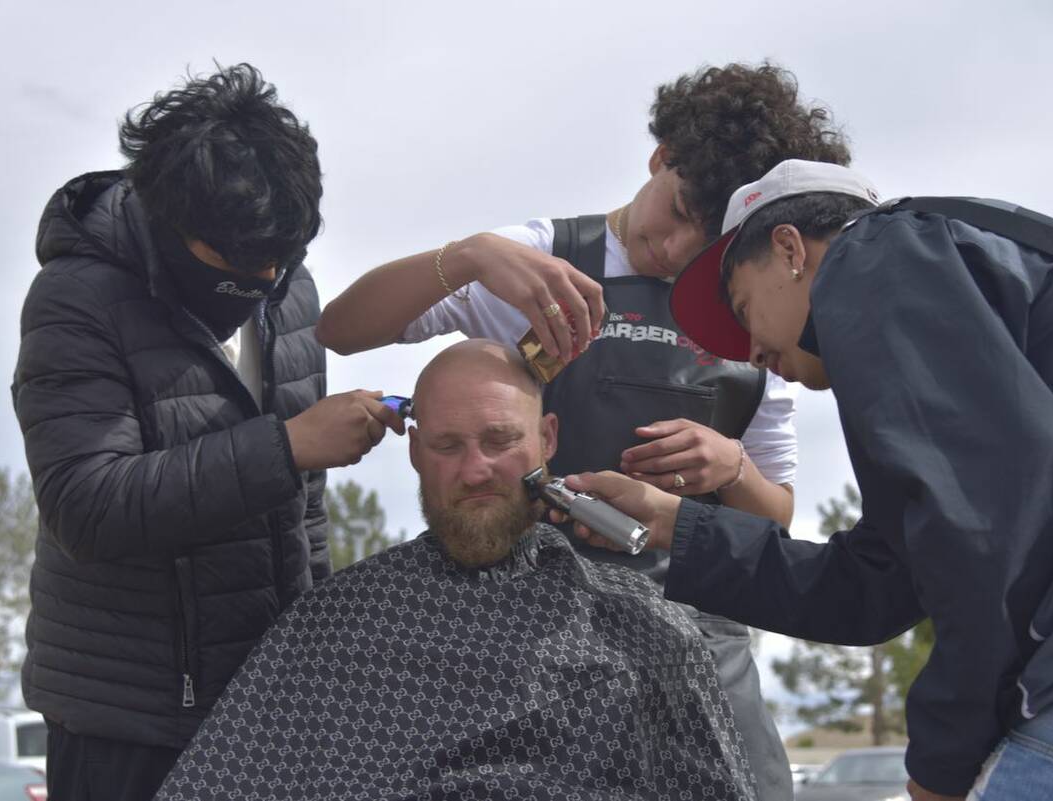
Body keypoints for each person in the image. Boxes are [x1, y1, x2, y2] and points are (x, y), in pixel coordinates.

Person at [316, 63, 853, 800]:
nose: (676, 247)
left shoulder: (752, 310)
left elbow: (778, 517)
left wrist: (734, 470)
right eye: (679, 207)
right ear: (660, 157)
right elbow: (341, 329)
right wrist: (466, 256)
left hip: (701, 651)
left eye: (711, 236)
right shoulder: (535, 258)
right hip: (537, 657)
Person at [562, 159, 1053, 801]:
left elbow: (986, 535)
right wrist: (679, 526)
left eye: (742, 306)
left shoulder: (877, 255)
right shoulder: (951, 281)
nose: (750, 351)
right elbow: (874, 585)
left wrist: (940, 766)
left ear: (789, 249)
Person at [12, 63, 402, 801]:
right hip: (126, 727)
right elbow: (85, 505)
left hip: (268, 713)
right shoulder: (77, 297)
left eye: (281, 258)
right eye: (242, 262)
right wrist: (286, 447)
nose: (265, 276)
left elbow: (304, 517)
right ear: (172, 221)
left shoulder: (290, 292)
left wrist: (314, 669)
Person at [153, 340, 759, 801]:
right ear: (415, 451)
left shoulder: (643, 628)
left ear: (547, 439)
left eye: (499, 441)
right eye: (447, 446)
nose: (475, 471)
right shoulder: (331, 631)